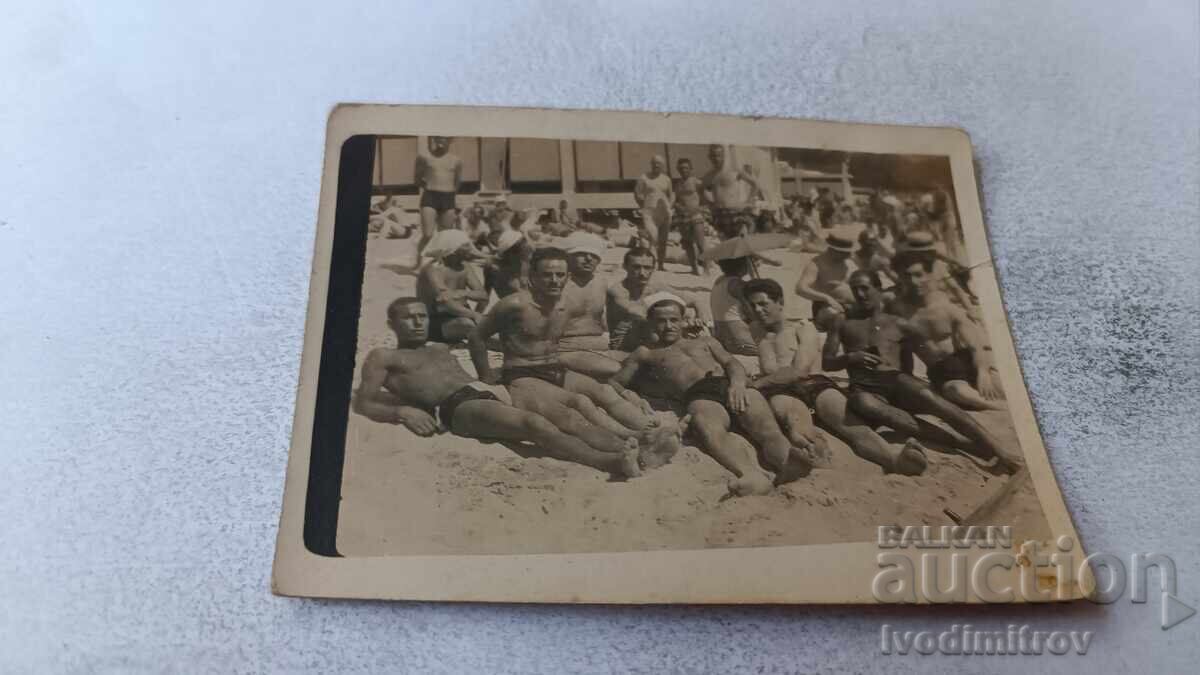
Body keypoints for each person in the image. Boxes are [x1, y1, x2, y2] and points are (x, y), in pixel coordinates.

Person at [353, 297, 639, 478]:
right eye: (408, 317)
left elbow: (477, 333)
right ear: (392, 324)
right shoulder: (384, 357)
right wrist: (402, 411)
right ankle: (607, 462)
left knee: (567, 414)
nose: (418, 322)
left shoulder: (440, 347)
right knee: (534, 423)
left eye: (422, 316)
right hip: (457, 407)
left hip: (484, 390)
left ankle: (630, 448)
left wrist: (491, 374)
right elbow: (363, 403)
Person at [469, 247, 680, 466]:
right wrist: (485, 375)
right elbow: (476, 336)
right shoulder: (514, 305)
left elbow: (571, 339)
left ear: (567, 277)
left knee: (604, 391)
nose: (554, 280)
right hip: (522, 372)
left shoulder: (566, 304)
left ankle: (649, 430)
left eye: (560, 275)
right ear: (532, 277)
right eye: (546, 275)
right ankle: (628, 442)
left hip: (554, 366)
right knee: (578, 403)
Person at [822, 271, 1022, 473]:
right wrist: (850, 358)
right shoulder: (842, 321)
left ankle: (999, 449)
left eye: (865, 288)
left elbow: (931, 358)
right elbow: (827, 363)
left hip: (895, 380)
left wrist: (979, 369)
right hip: (865, 387)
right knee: (863, 402)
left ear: (879, 289)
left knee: (931, 398)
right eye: (855, 289)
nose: (860, 294)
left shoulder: (898, 323)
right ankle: (966, 444)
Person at [612, 296, 813, 496]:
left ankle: (788, 464)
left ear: (683, 320)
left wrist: (737, 384)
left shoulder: (706, 341)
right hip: (699, 394)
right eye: (661, 321)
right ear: (652, 323)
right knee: (711, 430)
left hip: (729, 383)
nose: (668, 326)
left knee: (767, 429)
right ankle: (752, 475)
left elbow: (731, 363)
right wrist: (631, 395)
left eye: (674, 320)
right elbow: (615, 381)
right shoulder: (646, 353)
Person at [743, 279, 928, 475]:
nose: (758, 310)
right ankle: (817, 463)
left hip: (812, 384)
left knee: (853, 426)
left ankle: (894, 459)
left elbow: (799, 371)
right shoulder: (756, 332)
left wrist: (758, 382)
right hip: (779, 391)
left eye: (763, 304)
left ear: (780, 302)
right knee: (797, 425)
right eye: (753, 305)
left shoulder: (803, 329)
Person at [888, 251, 1004, 411]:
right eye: (906, 276)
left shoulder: (945, 306)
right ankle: (995, 407)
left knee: (1003, 386)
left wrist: (983, 372)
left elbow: (975, 345)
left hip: (969, 362)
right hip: (943, 372)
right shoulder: (897, 310)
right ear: (899, 277)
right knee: (958, 392)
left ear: (929, 275)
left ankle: (996, 402)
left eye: (918, 275)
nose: (914, 282)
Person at [606, 248, 711, 352]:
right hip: (623, 344)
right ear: (625, 267)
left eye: (647, 268)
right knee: (663, 322)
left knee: (698, 333)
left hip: (653, 337)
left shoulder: (656, 287)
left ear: (653, 269)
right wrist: (685, 325)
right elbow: (640, 314)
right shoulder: (617, 291)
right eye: (636, 267)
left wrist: (700, 320)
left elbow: (695, 301)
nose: (642, 273)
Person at [558, 234, 624, 380]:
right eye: (581, 254)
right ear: (568, 257)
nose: (588, 258)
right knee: (617, 369)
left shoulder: (603, 283)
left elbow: (626, 307)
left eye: (594, 255)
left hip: (600, 345)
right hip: (567, 347)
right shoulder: (557, 284)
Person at [416, 230, 488, 343]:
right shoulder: (433, 270)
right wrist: (475, 315)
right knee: (469, 325)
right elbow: (446, 304)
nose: (471, 249)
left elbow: (483, 296)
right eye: (466, 246)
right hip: (436, 321)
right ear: (453, 249)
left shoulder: (465, 267)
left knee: (492, 322)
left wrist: (462, 293)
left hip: (462, 315)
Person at [795, 231, 856, 332]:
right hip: (828, 308)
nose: (848, 255)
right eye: (844, 252)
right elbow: (800, 288)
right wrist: (827, 298)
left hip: (851, 307)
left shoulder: (848, 262)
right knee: (833, 316)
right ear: (833, 249)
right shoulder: (817, 263)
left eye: (848, 252)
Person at [413, 136, 463, 255]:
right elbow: (417, 180)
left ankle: (440, 262)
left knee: (445, 236)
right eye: (438, 137)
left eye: (444, 138)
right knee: (428, 234)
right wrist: (431, 187)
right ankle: (418, 263)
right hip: (430, 196)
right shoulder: (424, 157)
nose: (441, 140)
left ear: (450, 140)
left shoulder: (456, 160)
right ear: (434, 139)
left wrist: (451, 196)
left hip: (448, 198)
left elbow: (457, 183)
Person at [701, 144, 762, 240]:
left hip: (736, 212)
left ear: (723, 156)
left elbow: (755, 184)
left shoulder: (734, 170)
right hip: (719, 214)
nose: (716, 158)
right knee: (726, 246)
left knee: (742, 244)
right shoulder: (709, 176)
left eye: (719, 155)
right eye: (713, 156)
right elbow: (701, 189)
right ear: (709, 157)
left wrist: (749, 201)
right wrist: (710, 203)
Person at [709, 256, 759, 356]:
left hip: (722, 339)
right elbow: (751, 313)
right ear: (743, 265)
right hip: (740, 341)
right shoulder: (738, 284)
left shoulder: (719, 280)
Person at [633, 155, 675, 268]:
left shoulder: (666, 179)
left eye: (659, 163)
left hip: (664, 213)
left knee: (663, 240)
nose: (656, 165)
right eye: (654, 163)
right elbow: (637, 193)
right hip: (649, 213)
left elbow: (671, 195)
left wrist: (669, 207)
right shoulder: (644, 177)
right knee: (653, 237)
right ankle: (651, 263)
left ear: (663, 165)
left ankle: (661, 264)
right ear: (651, 164)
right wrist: (642, 206)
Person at [672, 157, 709, 275]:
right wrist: (677, 206)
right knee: (687, 244)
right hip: (683, 217)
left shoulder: (696, 182)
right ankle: (694, 268)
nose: (684, 170)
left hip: (696, 216)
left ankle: (706, 269)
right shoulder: (678, 184)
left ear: (691, 169)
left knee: (700, 243)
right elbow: (677, 200)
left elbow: (706, 197)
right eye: (681, 168)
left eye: (686, 168)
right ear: (678, 169)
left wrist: (702, 208)